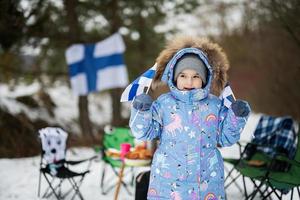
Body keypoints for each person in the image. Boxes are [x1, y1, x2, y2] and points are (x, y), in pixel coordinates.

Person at [129, 36, 251, 200]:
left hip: (207, 181)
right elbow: (144, 133)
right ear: (174, 77)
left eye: (196, 76)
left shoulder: (215, 105)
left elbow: (227, 137)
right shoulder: (164, 104)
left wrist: (236, 117)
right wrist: (142, 112)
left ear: (204, 78)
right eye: (183, 76)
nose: (189, 81)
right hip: (168, 183)